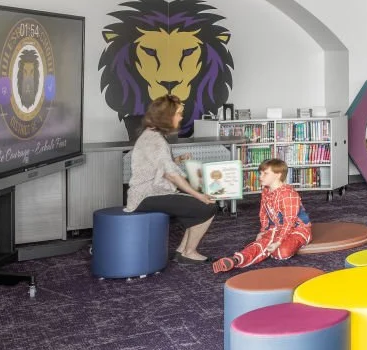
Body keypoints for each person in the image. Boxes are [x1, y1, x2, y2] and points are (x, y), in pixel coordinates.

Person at [125, 95, 218, 264]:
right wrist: (199, 195)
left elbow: (157, 167)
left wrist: (177, 160)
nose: (181, 117)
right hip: (147, 196)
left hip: (144, 195)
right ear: (167, 116)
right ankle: (189, 252)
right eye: (178, 114)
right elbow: (171, 175)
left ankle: (182, 251)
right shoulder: (156, 140)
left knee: (198, 204)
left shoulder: (151, 135)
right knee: (208, 206)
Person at [212, 158, 312, 273]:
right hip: (277, 228)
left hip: (298, 229)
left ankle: (299, 241)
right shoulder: (266, 190)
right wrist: (263, 231)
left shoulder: (288, 194)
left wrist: (278, 242)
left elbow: (289, 222)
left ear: (278, 175)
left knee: (280, 253)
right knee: (263, 243)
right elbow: (263, 213)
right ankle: (236, 260)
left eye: (265, 173)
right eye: (260, 173)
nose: (260, 176)